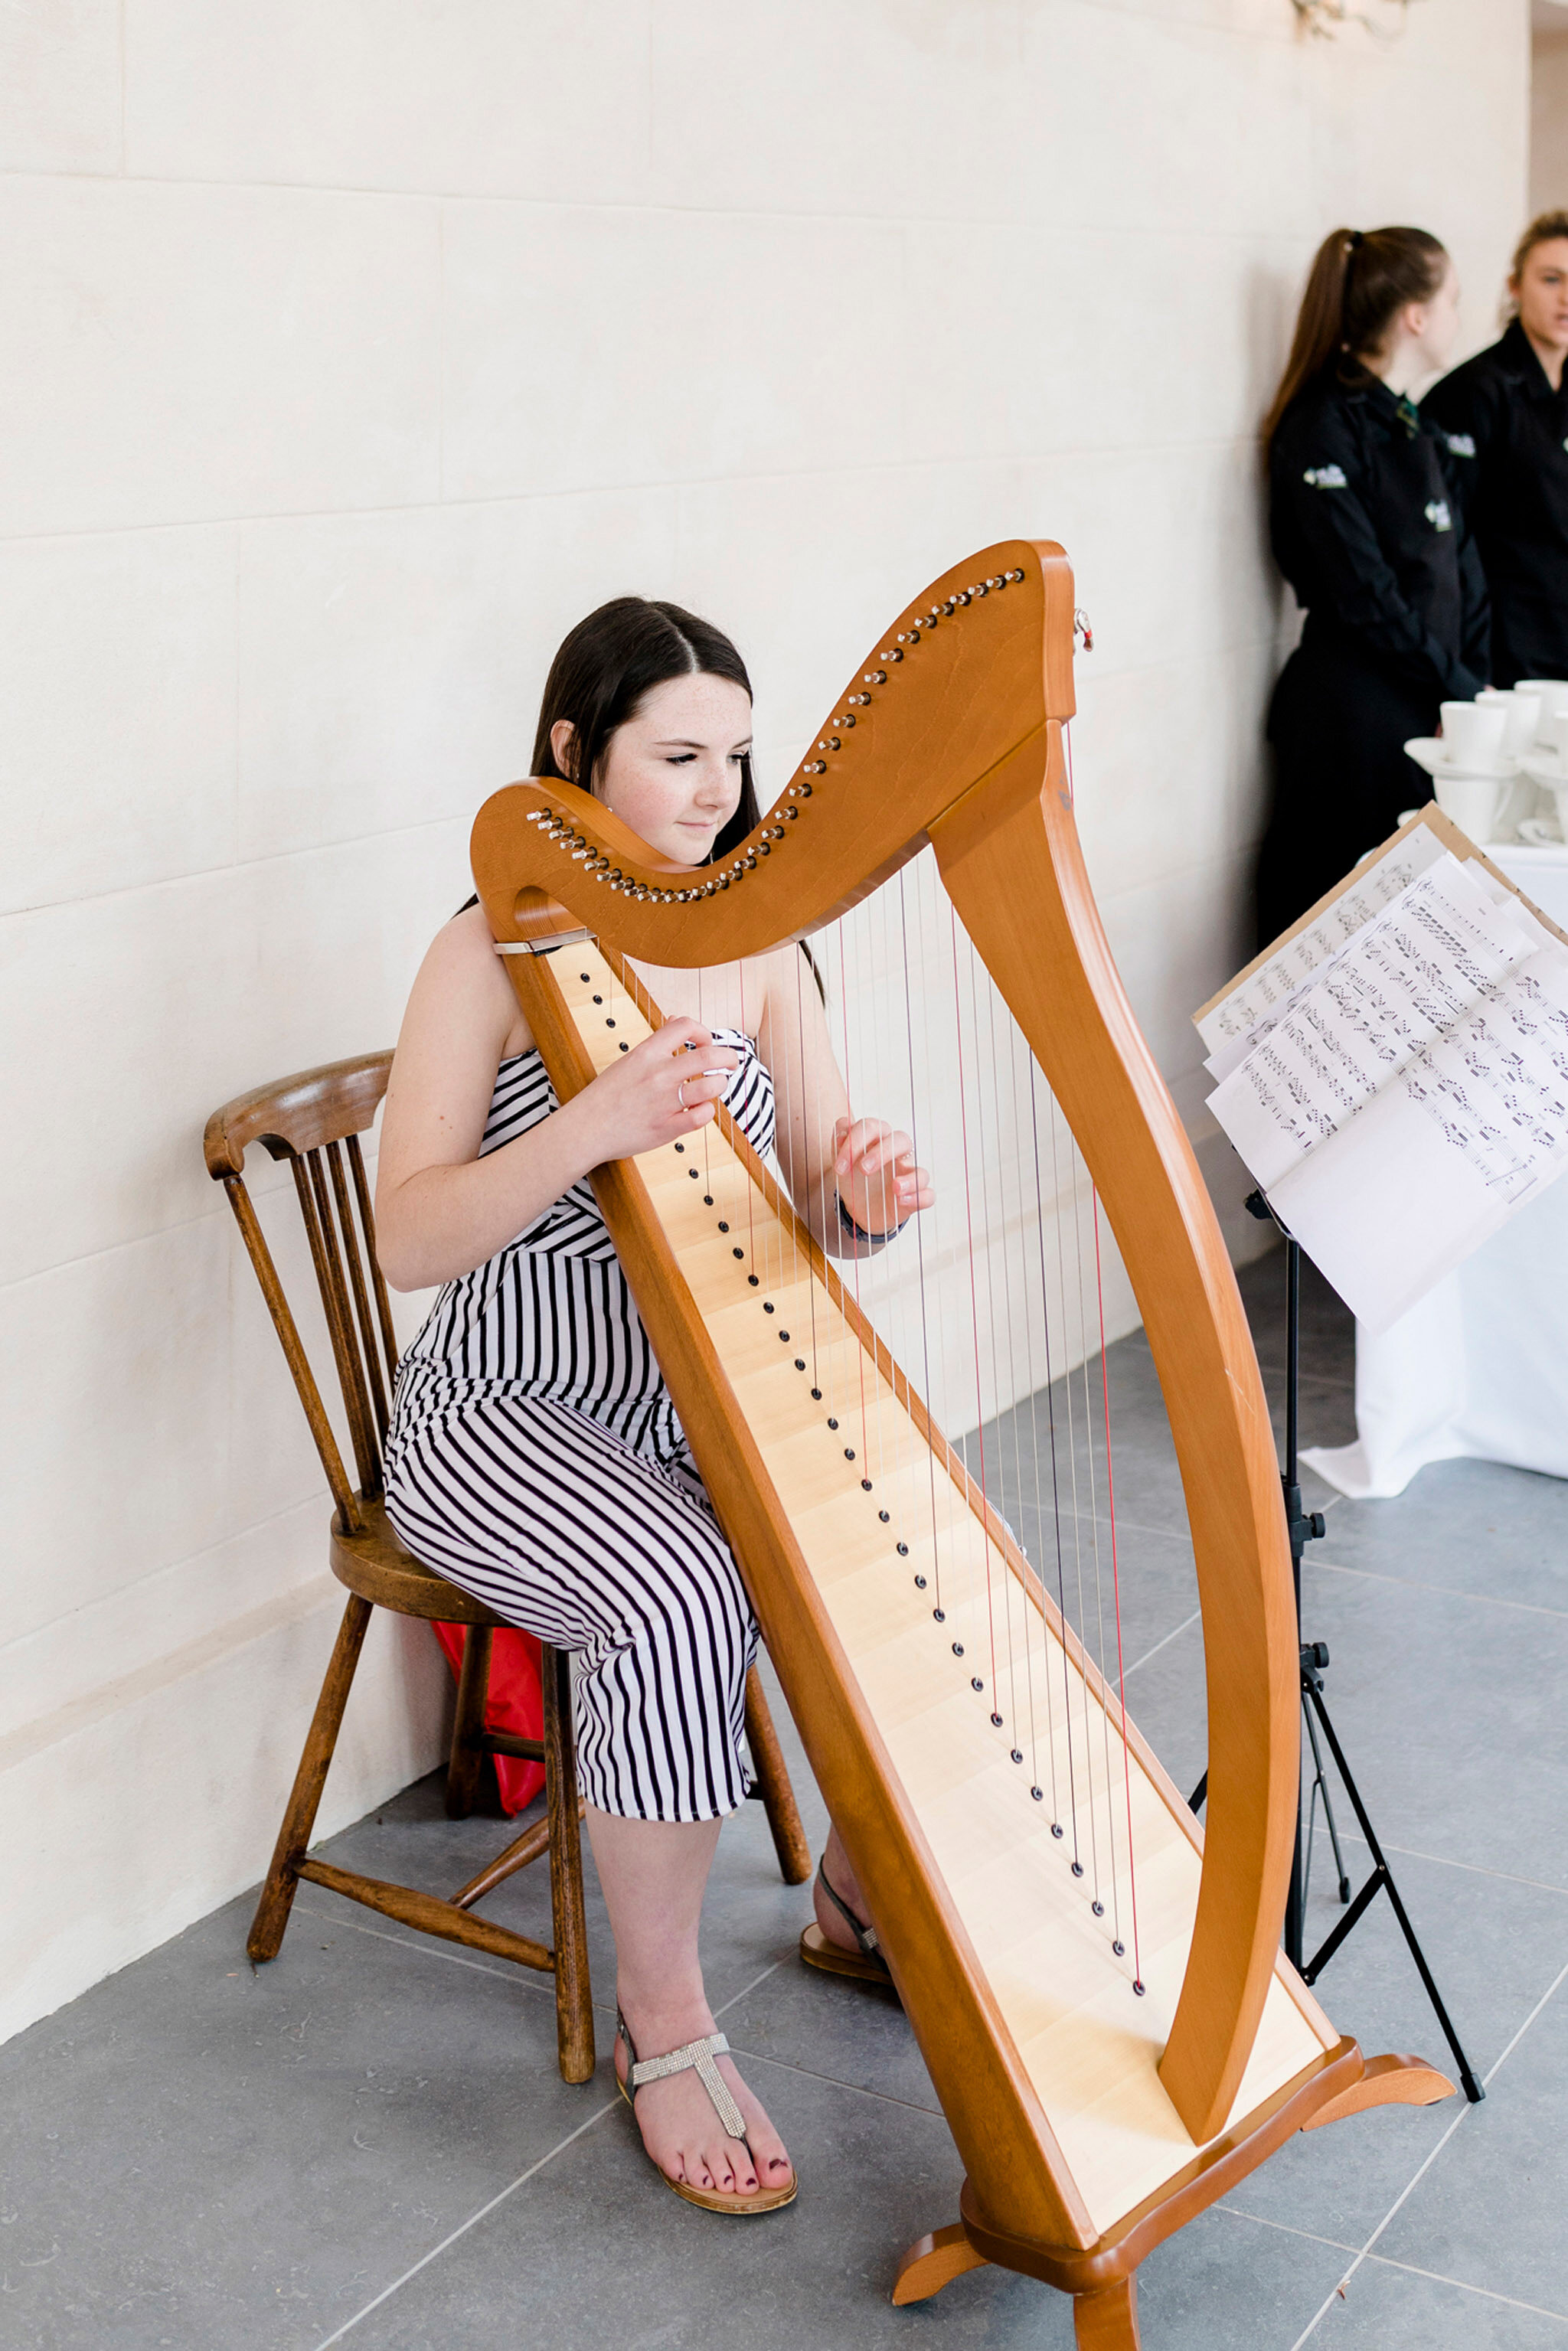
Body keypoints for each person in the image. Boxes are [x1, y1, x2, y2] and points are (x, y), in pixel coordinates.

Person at [374, 597, 933, 2215]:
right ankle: (668, 2020)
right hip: (503, 1404)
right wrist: (587, 1123)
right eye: (677, 753)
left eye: (735, 755)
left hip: (697, 1391)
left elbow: (825, 1194)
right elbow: (411, 1235)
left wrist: (867, 1191)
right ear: (572, 750)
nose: (713, 788)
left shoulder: (761, 940)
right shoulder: (486, 946)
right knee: (685, 1586)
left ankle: (851, 1884)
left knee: (876, 1525)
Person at [1254, 227, 1490, 945]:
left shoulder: (1411, 423)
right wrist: (1452, 680)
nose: (1458, 316)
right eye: (1452, 299)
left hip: (1421, 706)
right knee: (1333, 926)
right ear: (1414, 317)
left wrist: (1470, 687)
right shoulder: (1321, 425)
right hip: (1350, 718)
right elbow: (1363, 592)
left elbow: (1461, 566)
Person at [1424, 211, 1568, 686]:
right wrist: (1465, 667)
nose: (1566, 298)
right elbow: (1447, 542)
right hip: (1505, 653)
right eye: (1552, 280)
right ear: (1514, 286)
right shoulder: (1472, 393)